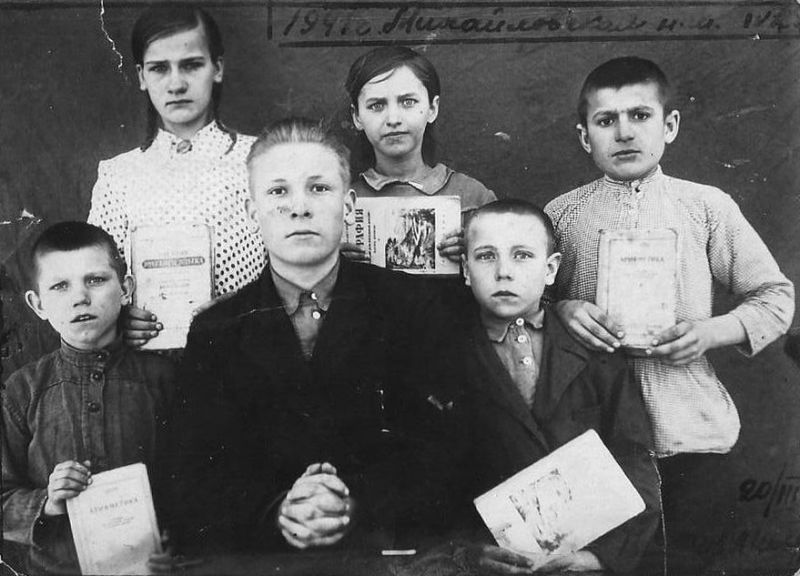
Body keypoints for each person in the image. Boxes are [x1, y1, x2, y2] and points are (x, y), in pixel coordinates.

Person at [164, 118, 466, 554]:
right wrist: (278, 511)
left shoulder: (412, 308)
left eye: (319, 188)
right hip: (265, 560)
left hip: (382, 556)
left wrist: (353, 503)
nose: (299, 208)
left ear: (348, 205)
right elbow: (191, 478)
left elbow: (447, 453)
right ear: (251, 211)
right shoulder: (216, 330)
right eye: (278, 191)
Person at [544, 56, 794, 570]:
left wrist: (710, 332)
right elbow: (522, 310)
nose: (624, 132)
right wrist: (561, 308)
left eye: (640, 115)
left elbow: (775, 297)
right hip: (594, 439)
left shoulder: (706, 207)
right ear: (585, 136)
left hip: (691, 431)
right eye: (606, 120)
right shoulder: (561, 215)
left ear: (670, 125)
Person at [456, 200, 660, 575]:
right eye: (486, 256)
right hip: (490, 562)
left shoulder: (593, 349)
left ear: (550, 270)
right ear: (466, 270)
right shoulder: (445, 354)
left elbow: (634, 458)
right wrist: (467, 552)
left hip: (585, 559)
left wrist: (600, 558)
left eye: (522, 255)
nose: (504, 272)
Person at [1, 222, 175, 574]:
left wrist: (180, 539)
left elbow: (197, 480)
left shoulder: (164, 379)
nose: (80, 297)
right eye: (60, 286)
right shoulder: (22, 391)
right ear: (37, 304)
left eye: (95, 280)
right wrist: (47, 503)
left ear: (125, 289)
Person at [87, 4, 264, 347]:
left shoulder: (262, 159)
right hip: (145, 366)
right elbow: (95, 277)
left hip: (244, 356)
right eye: (159, 69)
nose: (176, 83)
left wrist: (243, 307)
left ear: (217, 68)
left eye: (192, 65)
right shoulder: (117, 177)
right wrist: (119, 316)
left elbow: (293, 268)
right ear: (141, 76)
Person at [343, 46, 496, 263]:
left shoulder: (473, 197)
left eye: (408, 102)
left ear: (432, 108)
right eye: (376, 105)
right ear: (357, 116)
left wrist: (478, 251)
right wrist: (333, 260)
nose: (393, 119)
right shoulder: (341, 202)